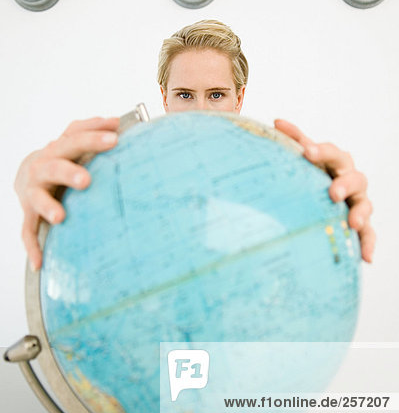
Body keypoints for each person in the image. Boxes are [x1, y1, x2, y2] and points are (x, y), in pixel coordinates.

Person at [14, 19, 375, 271]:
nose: (201, 111)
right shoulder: (128, 165)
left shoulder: (277, 173)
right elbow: (41, 170)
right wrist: (29, 172)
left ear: (239, 97)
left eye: (216, 94)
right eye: (185, 94)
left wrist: (330, 201)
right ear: (165, 97)